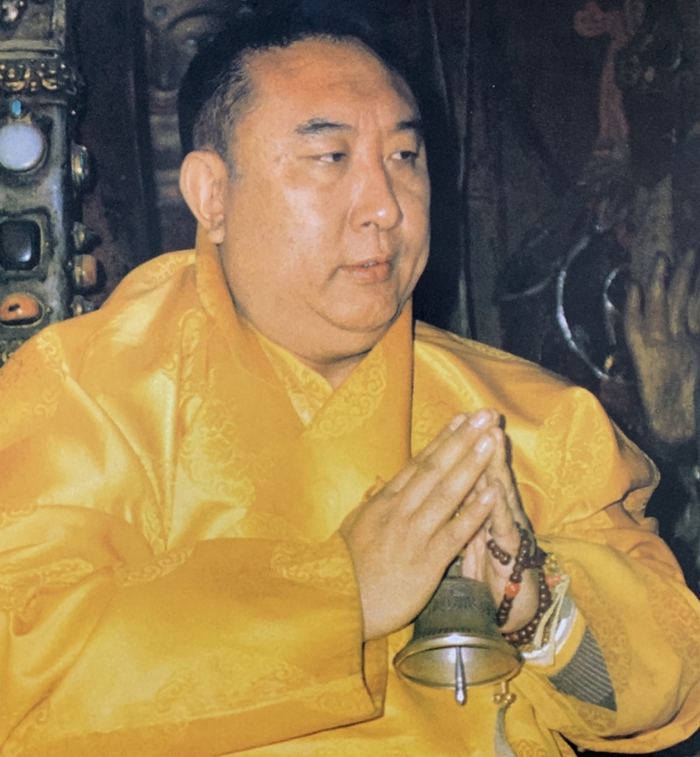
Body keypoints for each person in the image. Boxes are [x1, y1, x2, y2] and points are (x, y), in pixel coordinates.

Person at [0, 15, 699, 757]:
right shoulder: (89, 393)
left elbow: (671, 684)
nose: (385, 206)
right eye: (330, 156)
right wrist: (342, 593)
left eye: (404, 156)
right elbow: (24, 671)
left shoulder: (522, 418)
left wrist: (537, 605)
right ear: (213, 195)